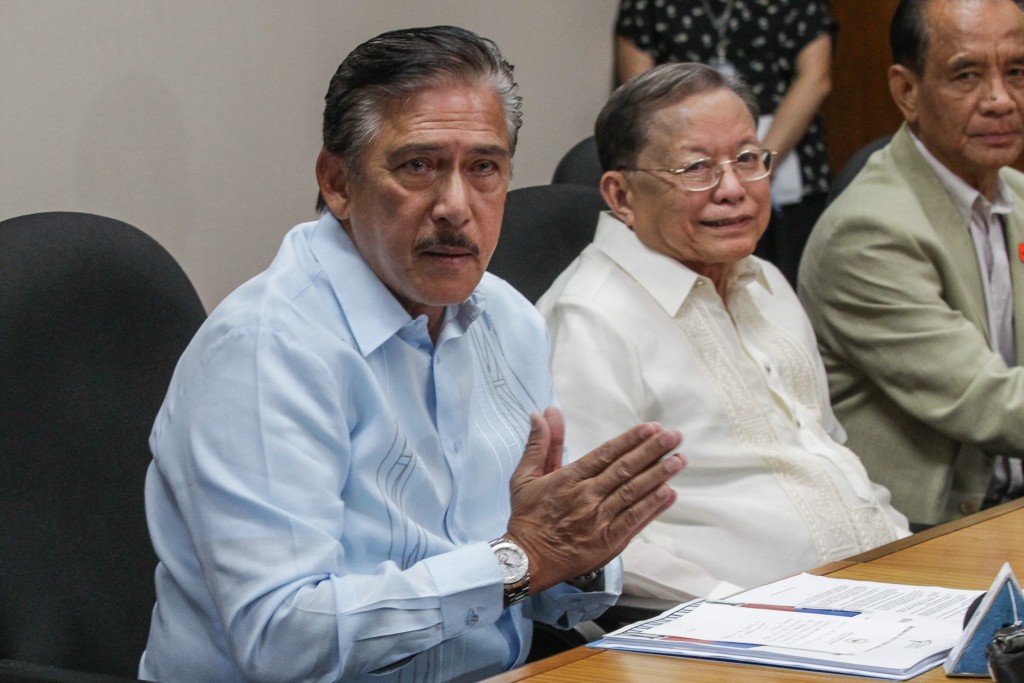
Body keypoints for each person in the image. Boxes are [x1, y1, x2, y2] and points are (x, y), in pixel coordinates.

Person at [138, 26, 687, 682]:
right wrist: (521, 558)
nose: (456, 206)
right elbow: (282, 640)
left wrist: (576, 551)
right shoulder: (266, 350)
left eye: (484, 168)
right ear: (337, 182)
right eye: (418, 166)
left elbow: (522, 581)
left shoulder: (508, 319)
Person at [536, 62, 908, 602]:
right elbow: (595, 538)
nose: (733, 189)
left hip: (876, 593)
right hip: (738, 629)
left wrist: (906, 554)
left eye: (747, 159)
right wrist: (732, 612)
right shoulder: (590, 319)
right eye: (696, 168)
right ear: (620, 196)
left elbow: (826, 449)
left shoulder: (766, 281)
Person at [798, 0, 1024, 530]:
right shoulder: (868, 232)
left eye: (1017, 72)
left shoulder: (1016, 195)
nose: (1000, 100)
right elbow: (986, 401)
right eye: (966, 75)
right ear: (906, 91)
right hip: (919, 534)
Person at [614, 0, 835, 288]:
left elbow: (815, 78)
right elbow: (640, 97)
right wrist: (712, 164)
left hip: (790, 160)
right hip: (686, 160)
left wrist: (753, 161)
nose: (731, 189)